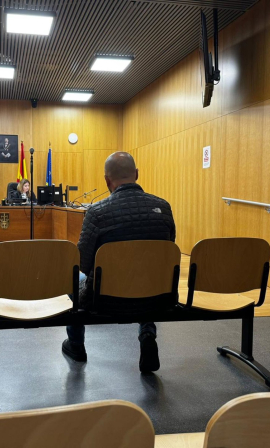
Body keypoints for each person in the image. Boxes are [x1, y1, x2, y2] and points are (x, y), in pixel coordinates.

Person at [62, 151, 176, 373]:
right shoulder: (164, 208)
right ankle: (147, 333)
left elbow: (81, 264)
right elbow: (166, 256)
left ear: (107, 181)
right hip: (157, 297)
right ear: (136, 174)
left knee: (72, 276)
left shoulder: (96, 213)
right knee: (148, 273)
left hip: (105, 299)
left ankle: (76, 345)